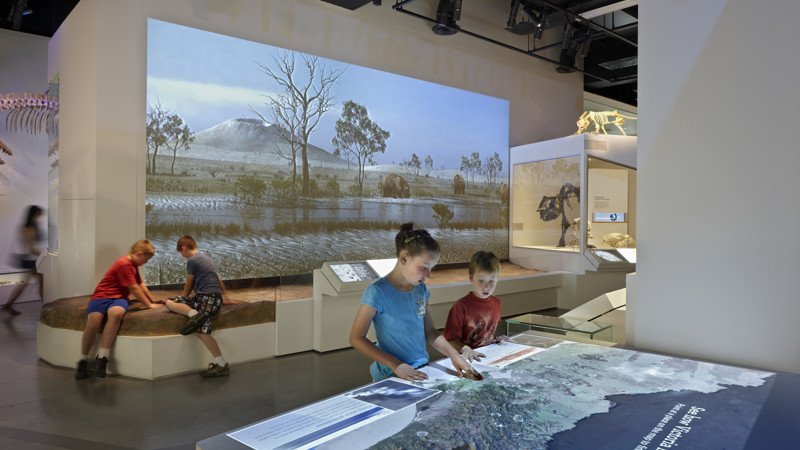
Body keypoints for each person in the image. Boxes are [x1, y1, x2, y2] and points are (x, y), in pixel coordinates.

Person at [349, 222, 476, 382]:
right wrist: (395, 364)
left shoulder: (421, 289)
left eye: (431, 269)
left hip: (421, 371)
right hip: (390, 376)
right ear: (404, 258)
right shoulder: (377, 292)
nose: (428, 275)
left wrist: (454, 355)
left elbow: (430, 331)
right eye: (424, 268)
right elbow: (356, 338)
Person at [75, 240, 161, 379]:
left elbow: (139, 283)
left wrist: (151, 299)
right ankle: (83, 360)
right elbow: (133, 288)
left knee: (116, 314)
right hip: (101, 296)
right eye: (146, 259)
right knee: (93, 323)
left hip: (118, 298)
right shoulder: (124, 264)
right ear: (139, 254)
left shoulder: (133, 265)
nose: (146, 262)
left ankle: (103, 357)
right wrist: (148, 305)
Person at [164, 236, 230, 377]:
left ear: (184, 248)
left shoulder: (192, 260)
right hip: (215, 298)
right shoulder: (206, 258)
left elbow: (189, 283)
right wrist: (227, 298)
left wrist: (185, 297)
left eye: (181, 253)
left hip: (204, 298)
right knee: (201, 331)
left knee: (170, 302)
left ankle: (194, 315)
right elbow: (218, 279)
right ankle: (221, 364)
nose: (182, 256)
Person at [444, 251, 509, 362]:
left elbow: (484, 336)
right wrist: (466, 349)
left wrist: (493, 340)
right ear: (471, 278)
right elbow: (449, 341)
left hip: (484, 358)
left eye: (491, 281)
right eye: (481, 280)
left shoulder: (497, 304)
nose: (486, 287)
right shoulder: (460, 307)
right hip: (463, 361)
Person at [3, 205, 45, 315]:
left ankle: (8, 305)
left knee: (36, 281)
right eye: (38, 214)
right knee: (38, 281)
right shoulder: (28, 228)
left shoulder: (32, 226)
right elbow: (29, 246)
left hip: (32, 259)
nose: (40, 217)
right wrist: (42, 253)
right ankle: (45, 306)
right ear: (34, 214)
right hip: (30, 259)